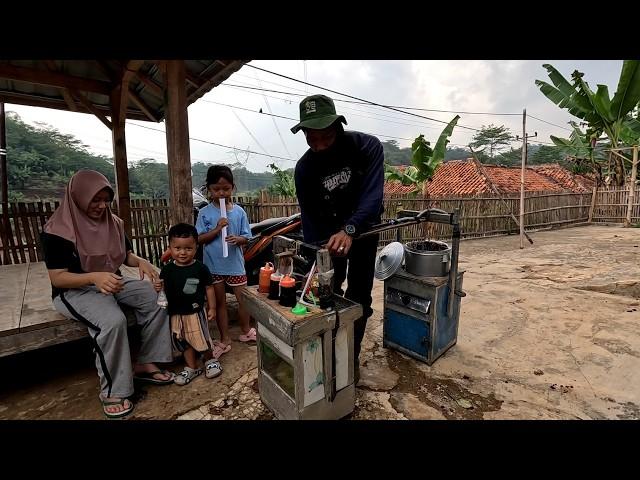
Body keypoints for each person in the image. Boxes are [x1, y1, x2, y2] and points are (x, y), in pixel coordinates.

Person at [41, 169, 173, 419]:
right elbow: (57, 277)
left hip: (111, 281)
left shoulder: (113, 223)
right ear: (78, 197)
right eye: (95, 199)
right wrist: (93, 277)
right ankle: (113, 389)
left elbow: (124, 255)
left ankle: (146, 362)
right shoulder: (57, 230)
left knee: (155, 297)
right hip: (74, 290)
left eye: (105, 200)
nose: (101, 206)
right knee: (112, 321)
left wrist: (140, 261)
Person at [291, 94, 384, 383]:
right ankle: (325, 357)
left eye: (325, 137)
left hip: (363, 231)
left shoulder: (366, 146)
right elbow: (309, 215)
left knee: (359, 297)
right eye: (311, 138)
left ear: (338, 126)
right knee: (325, 296)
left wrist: (351, 230)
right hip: (327, 239)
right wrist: (318, 252)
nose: (318, 145)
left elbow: (373, 196)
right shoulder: (305, 168)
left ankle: (349, 360)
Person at [196, 165, 256, 360]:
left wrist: (239, 239)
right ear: (209, 189)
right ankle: (224, 339)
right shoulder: (204, 213)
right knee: (220, 302)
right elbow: (199, 239)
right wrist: (216, 229)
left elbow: (247, 236)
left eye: (226, 189)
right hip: (213, 266)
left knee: (243, 300)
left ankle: (246, 331)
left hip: (234, 264)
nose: (221, 193)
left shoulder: (239, 212)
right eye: (216, 189)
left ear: (233, 188)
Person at [154, 223, 222, 385]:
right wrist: (158, 287)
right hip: (176, 313)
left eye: (188, 248)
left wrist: (212, 307)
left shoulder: (200, 268)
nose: (182, 252)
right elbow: (162, 288)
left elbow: (209, 288)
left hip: (195, 312)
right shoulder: (167, 270)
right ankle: (191, 367)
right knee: (183, 340)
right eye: (177, 248)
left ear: (196, 247)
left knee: (201, 338)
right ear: (169, 247)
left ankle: (210, 360)